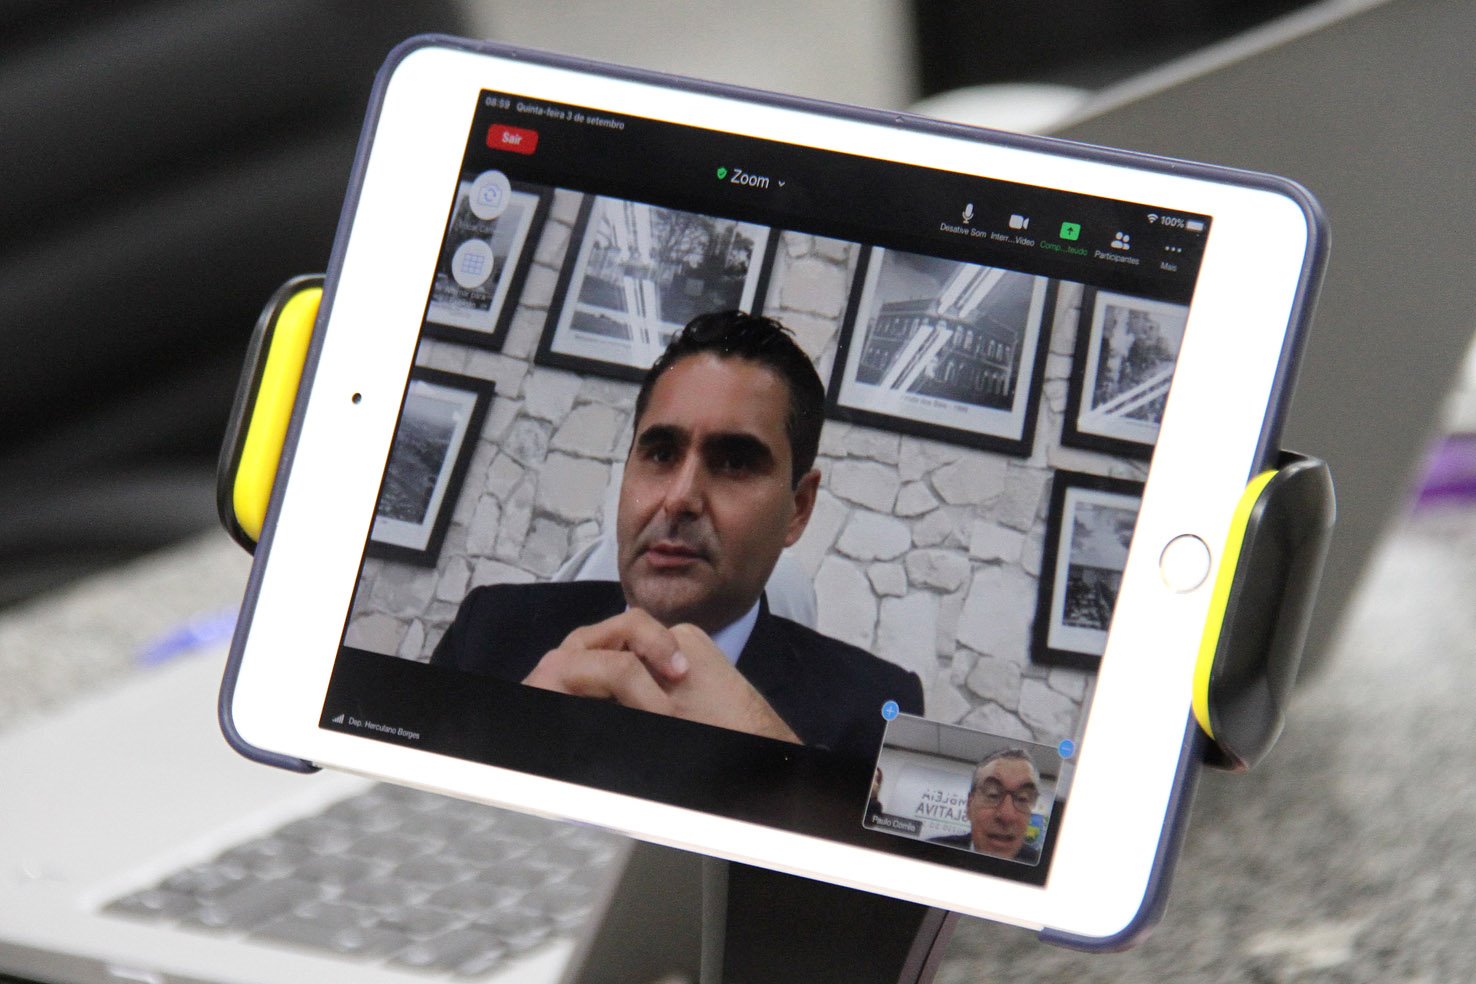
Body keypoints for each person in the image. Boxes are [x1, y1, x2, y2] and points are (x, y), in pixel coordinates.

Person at [431, 310, 924, 760]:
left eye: (735, 463)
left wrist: (784, 765)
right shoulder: (490, 634)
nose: (680, 498)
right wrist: (500, 741)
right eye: (662, 454)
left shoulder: (878, 713)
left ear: (798, 509)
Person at [928, 749, 1042, 863]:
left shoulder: (1042, 866)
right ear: (969, 806)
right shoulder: (932, 854)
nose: (1007, 816)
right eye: (993, 795)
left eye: (1022, 799)